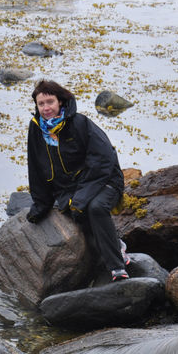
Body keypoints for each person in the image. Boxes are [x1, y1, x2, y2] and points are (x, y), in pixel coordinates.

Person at [25, 79, 131, 281]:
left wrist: (81, 197)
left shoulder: (80, 123)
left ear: (60, 102)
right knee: (79, 214)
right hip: (72, 188)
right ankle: (117, 244)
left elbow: (103, 160)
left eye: (50, 102)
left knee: (96, 208)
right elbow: (35, 167)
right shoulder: (36, 128)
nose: (46, 108)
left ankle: (117, 266)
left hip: (105, 179)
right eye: (41, 104)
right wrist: (41, 204)